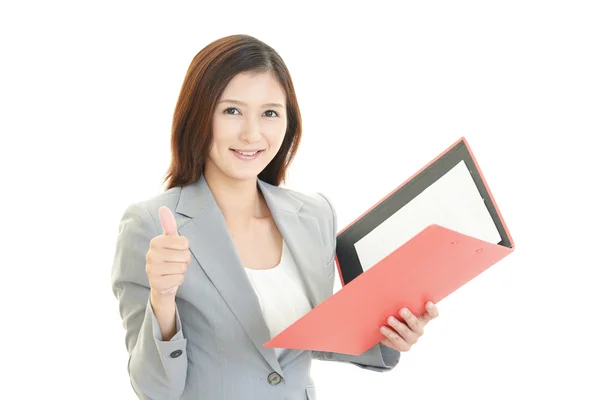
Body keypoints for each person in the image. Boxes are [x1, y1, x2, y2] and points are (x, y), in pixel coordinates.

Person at [111, 34, 439, 400]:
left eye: (270, 113)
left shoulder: (313, 215)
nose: (252, 134)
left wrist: (390, 332)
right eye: (231, 110)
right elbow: (154, 389)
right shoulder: (150, 225)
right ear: (199, 115)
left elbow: (316, 337)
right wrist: (162, 299)